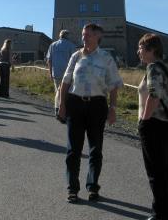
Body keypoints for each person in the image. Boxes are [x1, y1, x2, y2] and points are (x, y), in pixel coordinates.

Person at [58, 23, 123, 203]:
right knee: (74, 149)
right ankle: (72, 188)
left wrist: (113, 108)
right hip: (75, 104)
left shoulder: (106, 58)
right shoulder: (76, 56)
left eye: (88, 35)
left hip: (97, 106)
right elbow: (65, 82)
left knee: (96, 149)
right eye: (83, 35)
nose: (84, 38)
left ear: (98, 36)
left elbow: (113, 85)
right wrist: (62, 105)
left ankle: (93, 187)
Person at [137, 33, 168, 220]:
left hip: (154, 125)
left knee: (155, 171)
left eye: (141, 48)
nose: (138, 52)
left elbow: (154, 96)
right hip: (167, 125)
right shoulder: (164, 68)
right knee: (167, 169)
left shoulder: (153, 69)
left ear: (151, 49)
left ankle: (160, 212)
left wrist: (144, 120)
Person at [45, 29, 77, 119]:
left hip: (56, 72)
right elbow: (75, 61)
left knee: (58, 91)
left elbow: (49, 60)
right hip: (68, 73)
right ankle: (64, 111)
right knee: (66, 92)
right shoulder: (71, 45)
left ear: (60, 36)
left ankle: (57, 109)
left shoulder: (53, 45)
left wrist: (50, 72)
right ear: (67, 36)